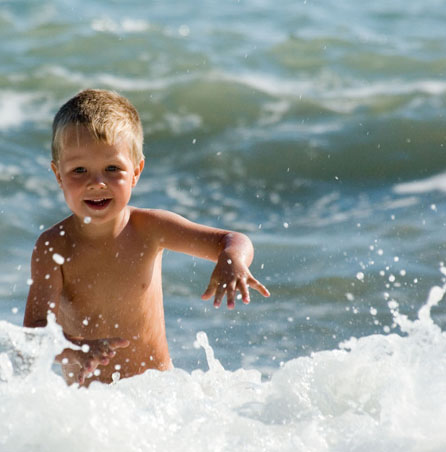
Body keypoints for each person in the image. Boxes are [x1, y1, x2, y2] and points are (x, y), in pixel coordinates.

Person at [23, 89, 269, 386]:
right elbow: (35, 332)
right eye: (79, 170)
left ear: (136, 171)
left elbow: (232, 239)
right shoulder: (54, 246)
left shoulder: (149, 228)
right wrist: (75, 348)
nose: (96, 182)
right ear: (58, 175)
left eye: (112, 168)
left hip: (157, 397)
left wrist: (233, 259)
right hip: (88, 410)